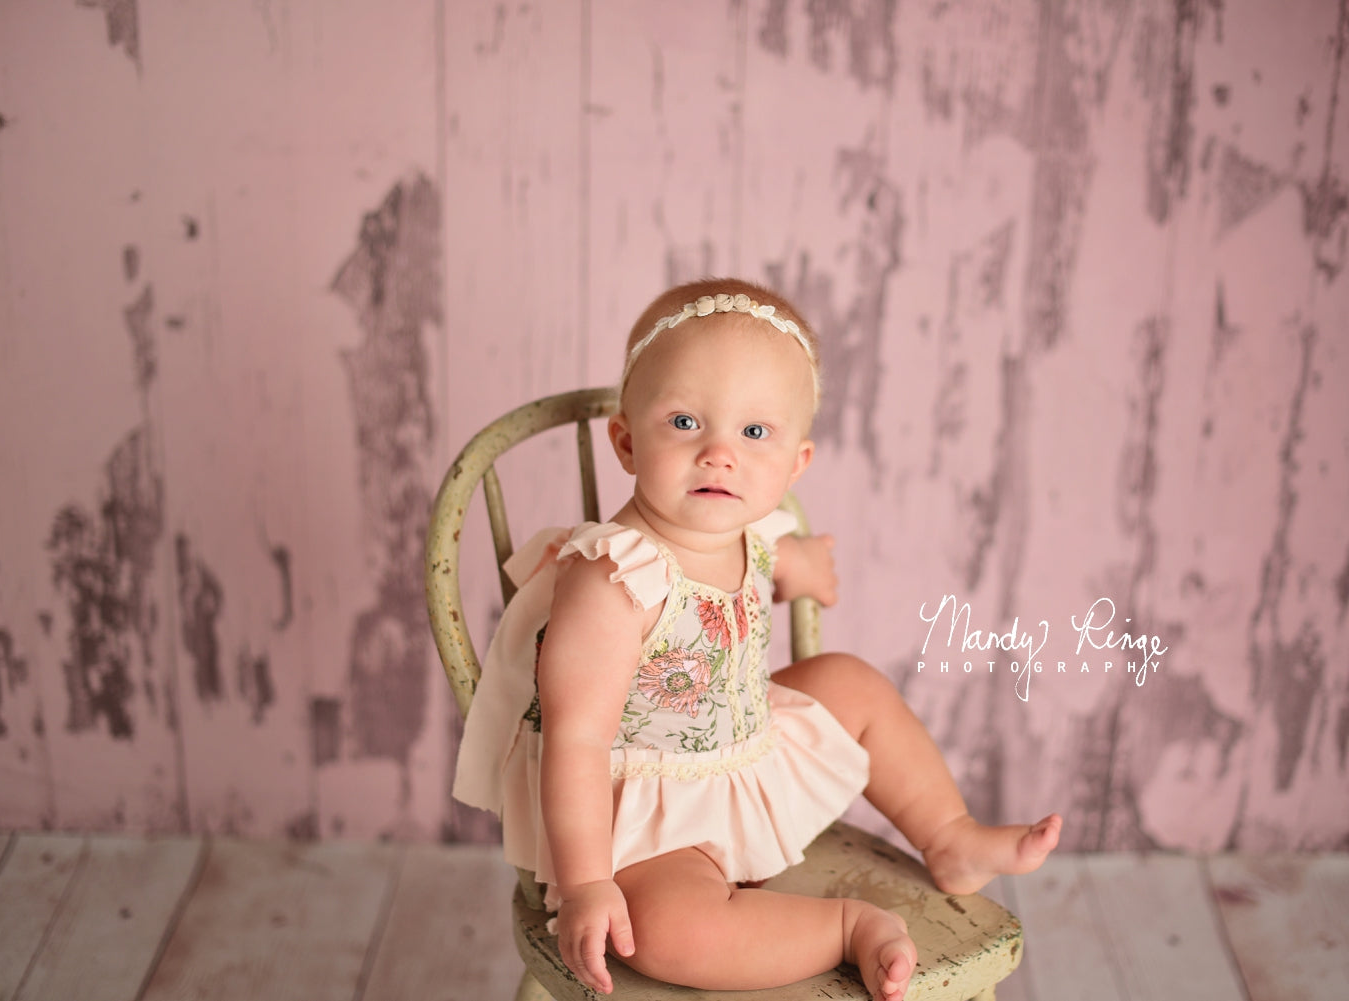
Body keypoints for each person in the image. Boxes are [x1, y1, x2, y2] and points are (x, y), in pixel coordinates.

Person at [453, 278, 1062, 1001]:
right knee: (667, 931)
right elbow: (576, 739)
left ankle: (951, 835)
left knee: (852, 681)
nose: (720, 454)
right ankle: (845, 928)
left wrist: (804, 563)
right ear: (625, 440)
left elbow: (777, 552)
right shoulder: (614, 579)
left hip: (746, 751)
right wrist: (586, 882)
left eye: (754, 433)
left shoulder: (752, 532)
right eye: (684, 422)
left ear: (795, 463)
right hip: (651, 815)